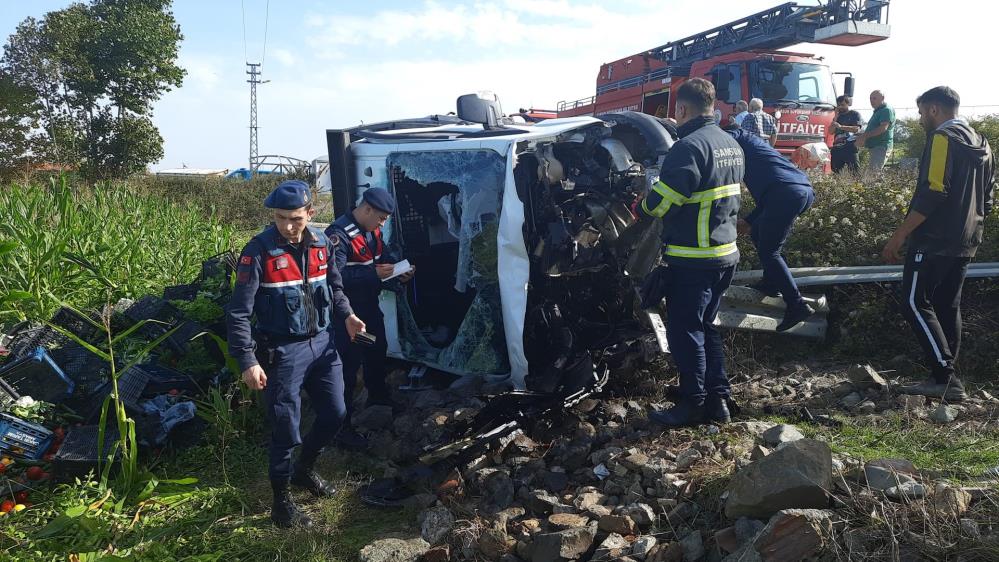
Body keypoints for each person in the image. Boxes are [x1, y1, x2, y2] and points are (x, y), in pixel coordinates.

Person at [227, 180, 366, 528]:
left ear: (310, 214)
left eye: (295, 218)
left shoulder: (322, 243)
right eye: (280, 218)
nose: (288, 226)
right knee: (286, 429)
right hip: (283, 351)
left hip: (324, 343)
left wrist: (347, 314)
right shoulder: (257, 251)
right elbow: (238, 312)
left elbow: (334, 286)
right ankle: (281, 503)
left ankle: (305, 470)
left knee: (335, 413)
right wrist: (248, 360)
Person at [639, 77, 744, 427]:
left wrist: (643, 201)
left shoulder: (688, 148)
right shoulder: (729, 142)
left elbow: (663, 202)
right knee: (706, 327)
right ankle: (719, 399)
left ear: (681, 109)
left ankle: (692, 403)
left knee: (686, 333)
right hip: (724, 254)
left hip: (694, 258)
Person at [883, 86, 995, 402]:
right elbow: (988, 196)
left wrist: (900, 234)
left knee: (914, 302)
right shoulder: (985, 145)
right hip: (968, 238)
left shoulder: (943, 139)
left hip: (933, 240)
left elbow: (934, 191)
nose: (919, 120)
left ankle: (945, 378)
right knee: (948, 304)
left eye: (920, 112)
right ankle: (944, 377)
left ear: (934, 110)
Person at [327, 188, 414, 449]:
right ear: (366, 210)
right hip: (347, 316)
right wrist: (374, 275)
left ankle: (379, 399)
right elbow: (335, 278)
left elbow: (382, 257)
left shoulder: (372, 231)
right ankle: (341, 428)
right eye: (381, 218)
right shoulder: (338, 235)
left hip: (369, 310)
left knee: (377, 351)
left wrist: (399, 270)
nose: (383, 224)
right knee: (348, 370)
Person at [729, 128, 816, 331]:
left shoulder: (733, 138)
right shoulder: (753, 144)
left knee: (770, 251)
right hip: (798, 190)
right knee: (758, 232)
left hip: (786, 193)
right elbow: (770, 195)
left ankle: (796, 304)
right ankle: (771, 283)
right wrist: (749, 221)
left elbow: (775, 193)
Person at [855, 90, 895, 171]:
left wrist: (864, 136)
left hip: (881, 147)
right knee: (872, 173)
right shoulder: (878, 111)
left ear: (883, 98)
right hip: (875, 147)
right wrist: (860, 135)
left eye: (874, 98)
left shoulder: (886, 110)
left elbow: (883, 128)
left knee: (873, 174)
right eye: (870, 98)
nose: (871, 101)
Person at [830, 95, 865, 174]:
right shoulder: (837, 117)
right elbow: (831, 131)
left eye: (842, 105)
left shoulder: (854, 114)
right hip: (837, 149)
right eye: (839, 105)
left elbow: (856, 129)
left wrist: (841, 126)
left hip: (850, 148)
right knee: (836, 173)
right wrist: (835, 117)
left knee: (855, 173)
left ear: (848, 104)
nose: (840, 107)